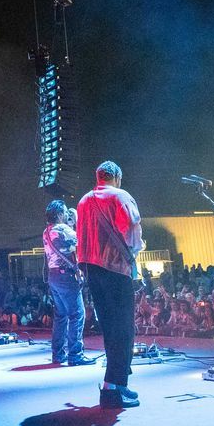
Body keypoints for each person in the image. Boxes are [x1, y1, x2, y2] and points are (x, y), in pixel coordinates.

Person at [77, 160, 143, 410]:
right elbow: (132, 232)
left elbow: (81, 236)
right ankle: (113, 388)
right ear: (116, 177)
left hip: (91, 269)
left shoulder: (84, 200)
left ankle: (114, 385)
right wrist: (136, 253)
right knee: (123, 328)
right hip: (115, 268)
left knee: (108, 327)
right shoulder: (120, 196)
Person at [42, 200, 91, 366]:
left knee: (60, 316)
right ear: (59, 214)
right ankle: (75, 355)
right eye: (64, 213)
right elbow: (82, 241)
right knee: (77, 314)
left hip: (53, 276)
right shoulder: (63, 229)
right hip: (66, 277)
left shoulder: (46, 231)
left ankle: (58, 355)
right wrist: (75, 223)